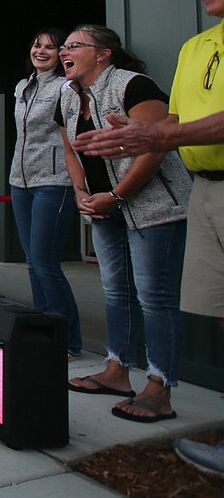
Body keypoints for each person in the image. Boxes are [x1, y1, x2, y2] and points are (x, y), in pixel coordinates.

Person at [58, 24, 190, 423]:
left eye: (74, 45)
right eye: (64, 46)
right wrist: (82, 192)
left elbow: (157, 145)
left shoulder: (134, 85)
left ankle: (160, 387)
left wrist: (118, 196)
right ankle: (117, 371)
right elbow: (69, 147)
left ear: (103, 54)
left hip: (153, 208)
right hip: (103, 208)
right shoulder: (67, 96)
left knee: (156, 298)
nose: (65, 51)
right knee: (116, 292)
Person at [9, 29, 82, 358]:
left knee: (46, 262)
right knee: (32, 263)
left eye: (51, 47)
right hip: (20, 181)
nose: (42, 51)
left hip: (54, 181)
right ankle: (43, 329)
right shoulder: (22, 87)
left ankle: (67, 340)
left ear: (60, 53)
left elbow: (73, 136)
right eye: (38, 44)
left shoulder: (66, 87)